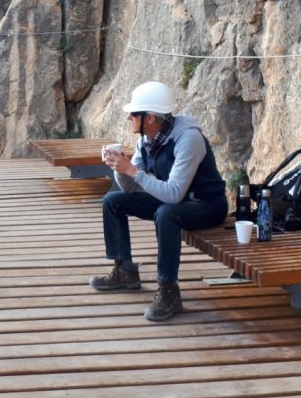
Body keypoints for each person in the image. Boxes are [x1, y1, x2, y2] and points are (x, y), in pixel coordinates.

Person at [92, 81, 227, 322]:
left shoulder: (188, 139)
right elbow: (131, 187)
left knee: (166, 213)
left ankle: (169, 291)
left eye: (133, 114)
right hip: (173, 201)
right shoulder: (145, 140)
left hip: (206, 205)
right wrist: (121, 169)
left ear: (151, 118)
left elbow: (174, 194)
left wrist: (133, 171)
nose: (128, 118)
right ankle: (125, 271)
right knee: (113, 200)